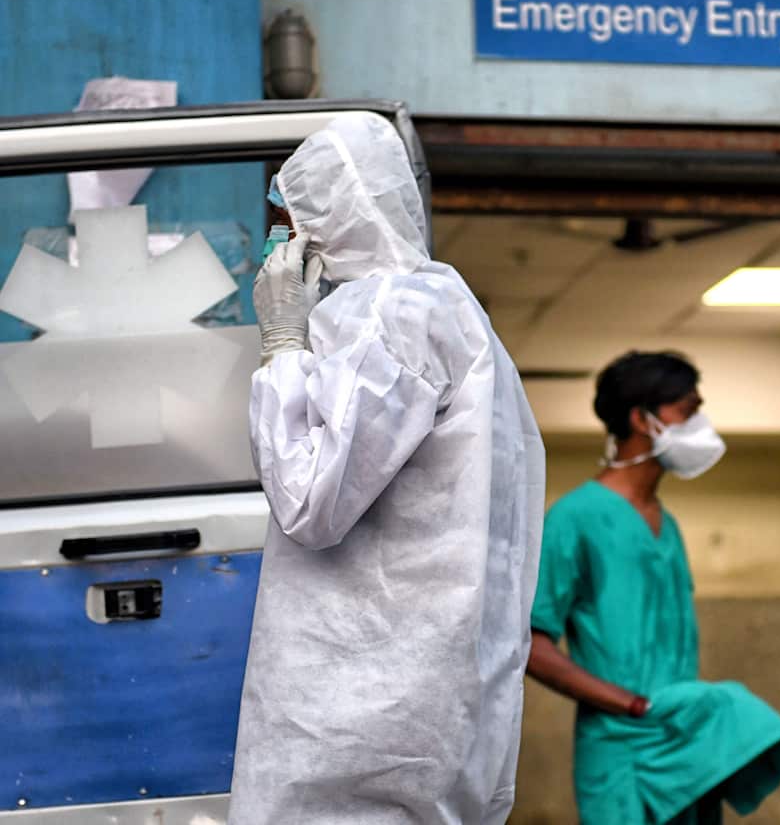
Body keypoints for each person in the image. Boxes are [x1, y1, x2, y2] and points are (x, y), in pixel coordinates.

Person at [229, 112, 545, 825]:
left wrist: (282, 346)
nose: (279, 246)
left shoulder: (389, 312)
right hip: (428, 699)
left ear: (329, 220)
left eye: (288, 223)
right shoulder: (450, 307)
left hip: (364, 712)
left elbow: (309, 500)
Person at [526, 351, 780, 825]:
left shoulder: (665, 525)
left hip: (685, 742)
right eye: (688, 411)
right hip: (623, 751)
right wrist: (631, 704)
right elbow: (529, 644)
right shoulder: (575, 519)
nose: (701, 423)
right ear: (642, 419)